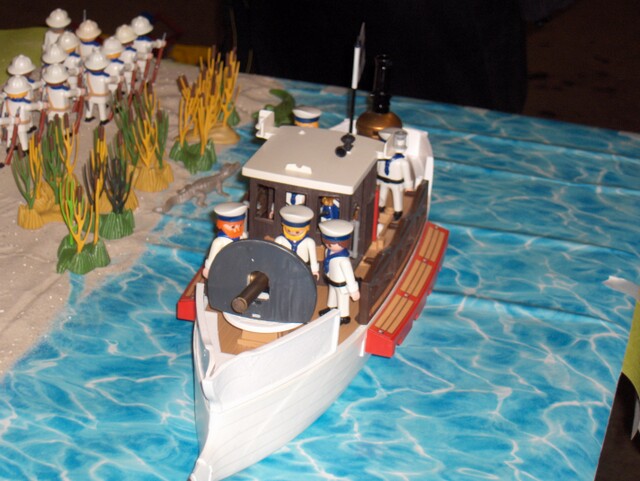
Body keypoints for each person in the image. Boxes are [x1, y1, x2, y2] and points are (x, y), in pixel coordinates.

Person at [318, 219, 359, 324]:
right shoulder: (328, 251)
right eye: (327, 243)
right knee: (332, 296)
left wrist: (353, 290)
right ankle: (331, 308)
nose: (329, 246)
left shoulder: (343, 260)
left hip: (341, 285)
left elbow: (349, 276)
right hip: (332, 280)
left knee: (342, 299)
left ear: (343, 243)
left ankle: (343, 316)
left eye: (332, 244)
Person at [203, 202, 248, 279]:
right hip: (224, 270)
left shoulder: (243, 236)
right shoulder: (219, 242)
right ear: (221, 225)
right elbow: (211, 261)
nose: (237, 229)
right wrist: (208, 270)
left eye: (240, 225)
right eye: (233, 227)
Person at [275, 205, 319, 279]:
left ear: (306, 228)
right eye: (289, 230)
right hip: (285, 267)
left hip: (303, 267)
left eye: (297, 232)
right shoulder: (280, 240)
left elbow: (313, 258)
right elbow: (275, 255)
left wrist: (314, 271)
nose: (293, 233)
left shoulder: (309, 242)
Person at [377, 129, 412, 220]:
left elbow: (407, 174)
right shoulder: (382, 158)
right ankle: (380, 206)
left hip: (396, 183)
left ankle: (398, 211)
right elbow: (378, 168)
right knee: (382, 194)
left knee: (397, 197)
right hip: (383, 180)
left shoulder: (403, 162)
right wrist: (377, 180)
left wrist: (408, 186)